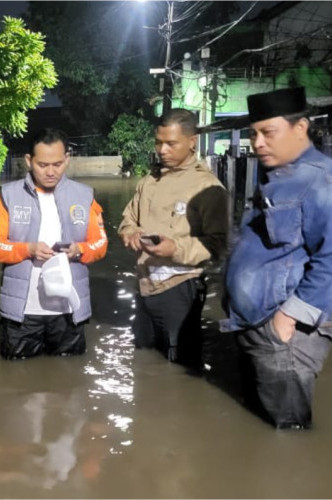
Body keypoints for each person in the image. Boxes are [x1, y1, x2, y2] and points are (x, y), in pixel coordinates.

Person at [222, 87, 332, 429]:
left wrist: (287, 320)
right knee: (260, 425)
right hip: (257, 324)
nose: (257, 143)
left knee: (287, 433)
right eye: (254, 133)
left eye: (268, 132)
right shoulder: (281, 175)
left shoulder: (319, 180)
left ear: (301, 128)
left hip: (284, 334)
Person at [0, 128, 108, 359]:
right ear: (29, 161)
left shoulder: (85, 196)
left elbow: (100, 243)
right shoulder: (8, 197)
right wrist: (27, 249)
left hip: (69, 310)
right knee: (17, 380)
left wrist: (79, 250)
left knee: (69, 378)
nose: (51, 172)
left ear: (67, 159)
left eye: (58, 164)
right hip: (22, 312)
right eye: (43, 165)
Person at [118, 109, 228, 368]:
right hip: (145, 285)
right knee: (144, 360)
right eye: (158, 142)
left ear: (192, 142)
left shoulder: (207, 188)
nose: (162, 150)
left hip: (180, 288)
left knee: (180, 365)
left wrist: (175, 248)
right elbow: (127, 218)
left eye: (171, 143)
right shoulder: (149, 181)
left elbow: (218, 245)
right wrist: (130, 232)